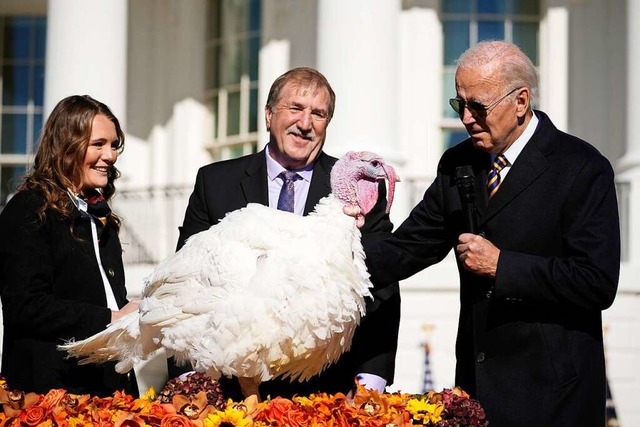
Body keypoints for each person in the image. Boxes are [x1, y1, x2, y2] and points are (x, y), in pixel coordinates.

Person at [360, 41, 620, 426]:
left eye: (478, 106)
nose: (466, 118)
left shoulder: (581, 168)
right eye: (458, 104)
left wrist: (503, 266)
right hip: (476, 393)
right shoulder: (458, 163)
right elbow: (410, 246)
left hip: (554, 398)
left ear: (520, 101)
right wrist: (334, 261)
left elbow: (596, 282)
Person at [173, 67, 401, 400]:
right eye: (295, 108)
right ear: (268, 115)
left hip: (326, 392)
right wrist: (191, 383)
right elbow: (187, 283)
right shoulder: (215, 183)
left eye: (318, 114)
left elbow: (382, 283)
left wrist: (371, 381)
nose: (305, 123)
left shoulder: (356, 190)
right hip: (227, 391)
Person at [0, 95, 140, 396]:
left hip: (110, 392)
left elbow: (108, 299)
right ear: (67, 146)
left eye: (113, 145)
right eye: (98, 144)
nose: (111, 156)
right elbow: (23, 306)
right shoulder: (28, 210)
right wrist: (111, 319)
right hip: (51, 396)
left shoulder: (100, 215)